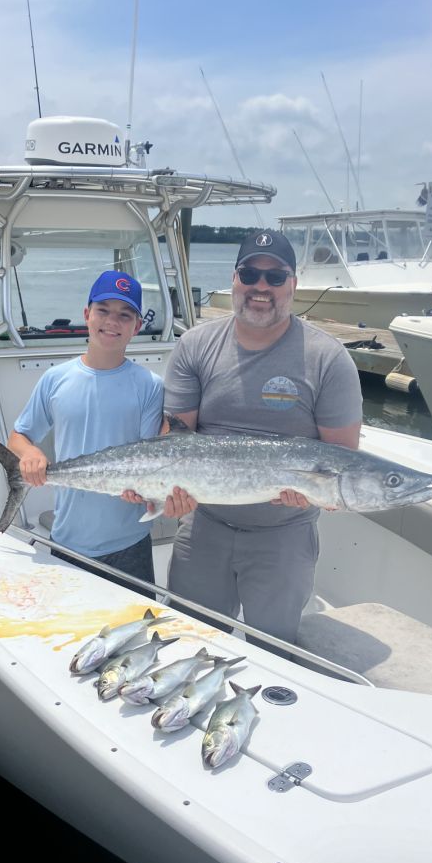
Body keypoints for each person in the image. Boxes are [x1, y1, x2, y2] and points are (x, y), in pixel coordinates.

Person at [159, 228, 363, 645]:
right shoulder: (195, 345)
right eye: (250, 274)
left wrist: (317, 493)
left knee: (274, 650)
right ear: (234, 279)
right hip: (204, 524)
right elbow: (174, 440)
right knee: (188, 644)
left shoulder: (328, 358)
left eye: (275, 276)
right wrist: (165, 491)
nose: (261, 287)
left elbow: (341, 459)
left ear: (293, 284)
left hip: (284, 535)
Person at [7, 269, 163, 585]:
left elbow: (149, 459)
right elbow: (18, 437)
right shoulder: (55, 379)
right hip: (67, 540)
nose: (112, 321)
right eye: (103, 310)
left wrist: (148, 490)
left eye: (124, 315)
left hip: (130, 544)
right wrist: (30, 454)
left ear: (137, 326)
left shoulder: (150, 385)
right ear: (86, 314)